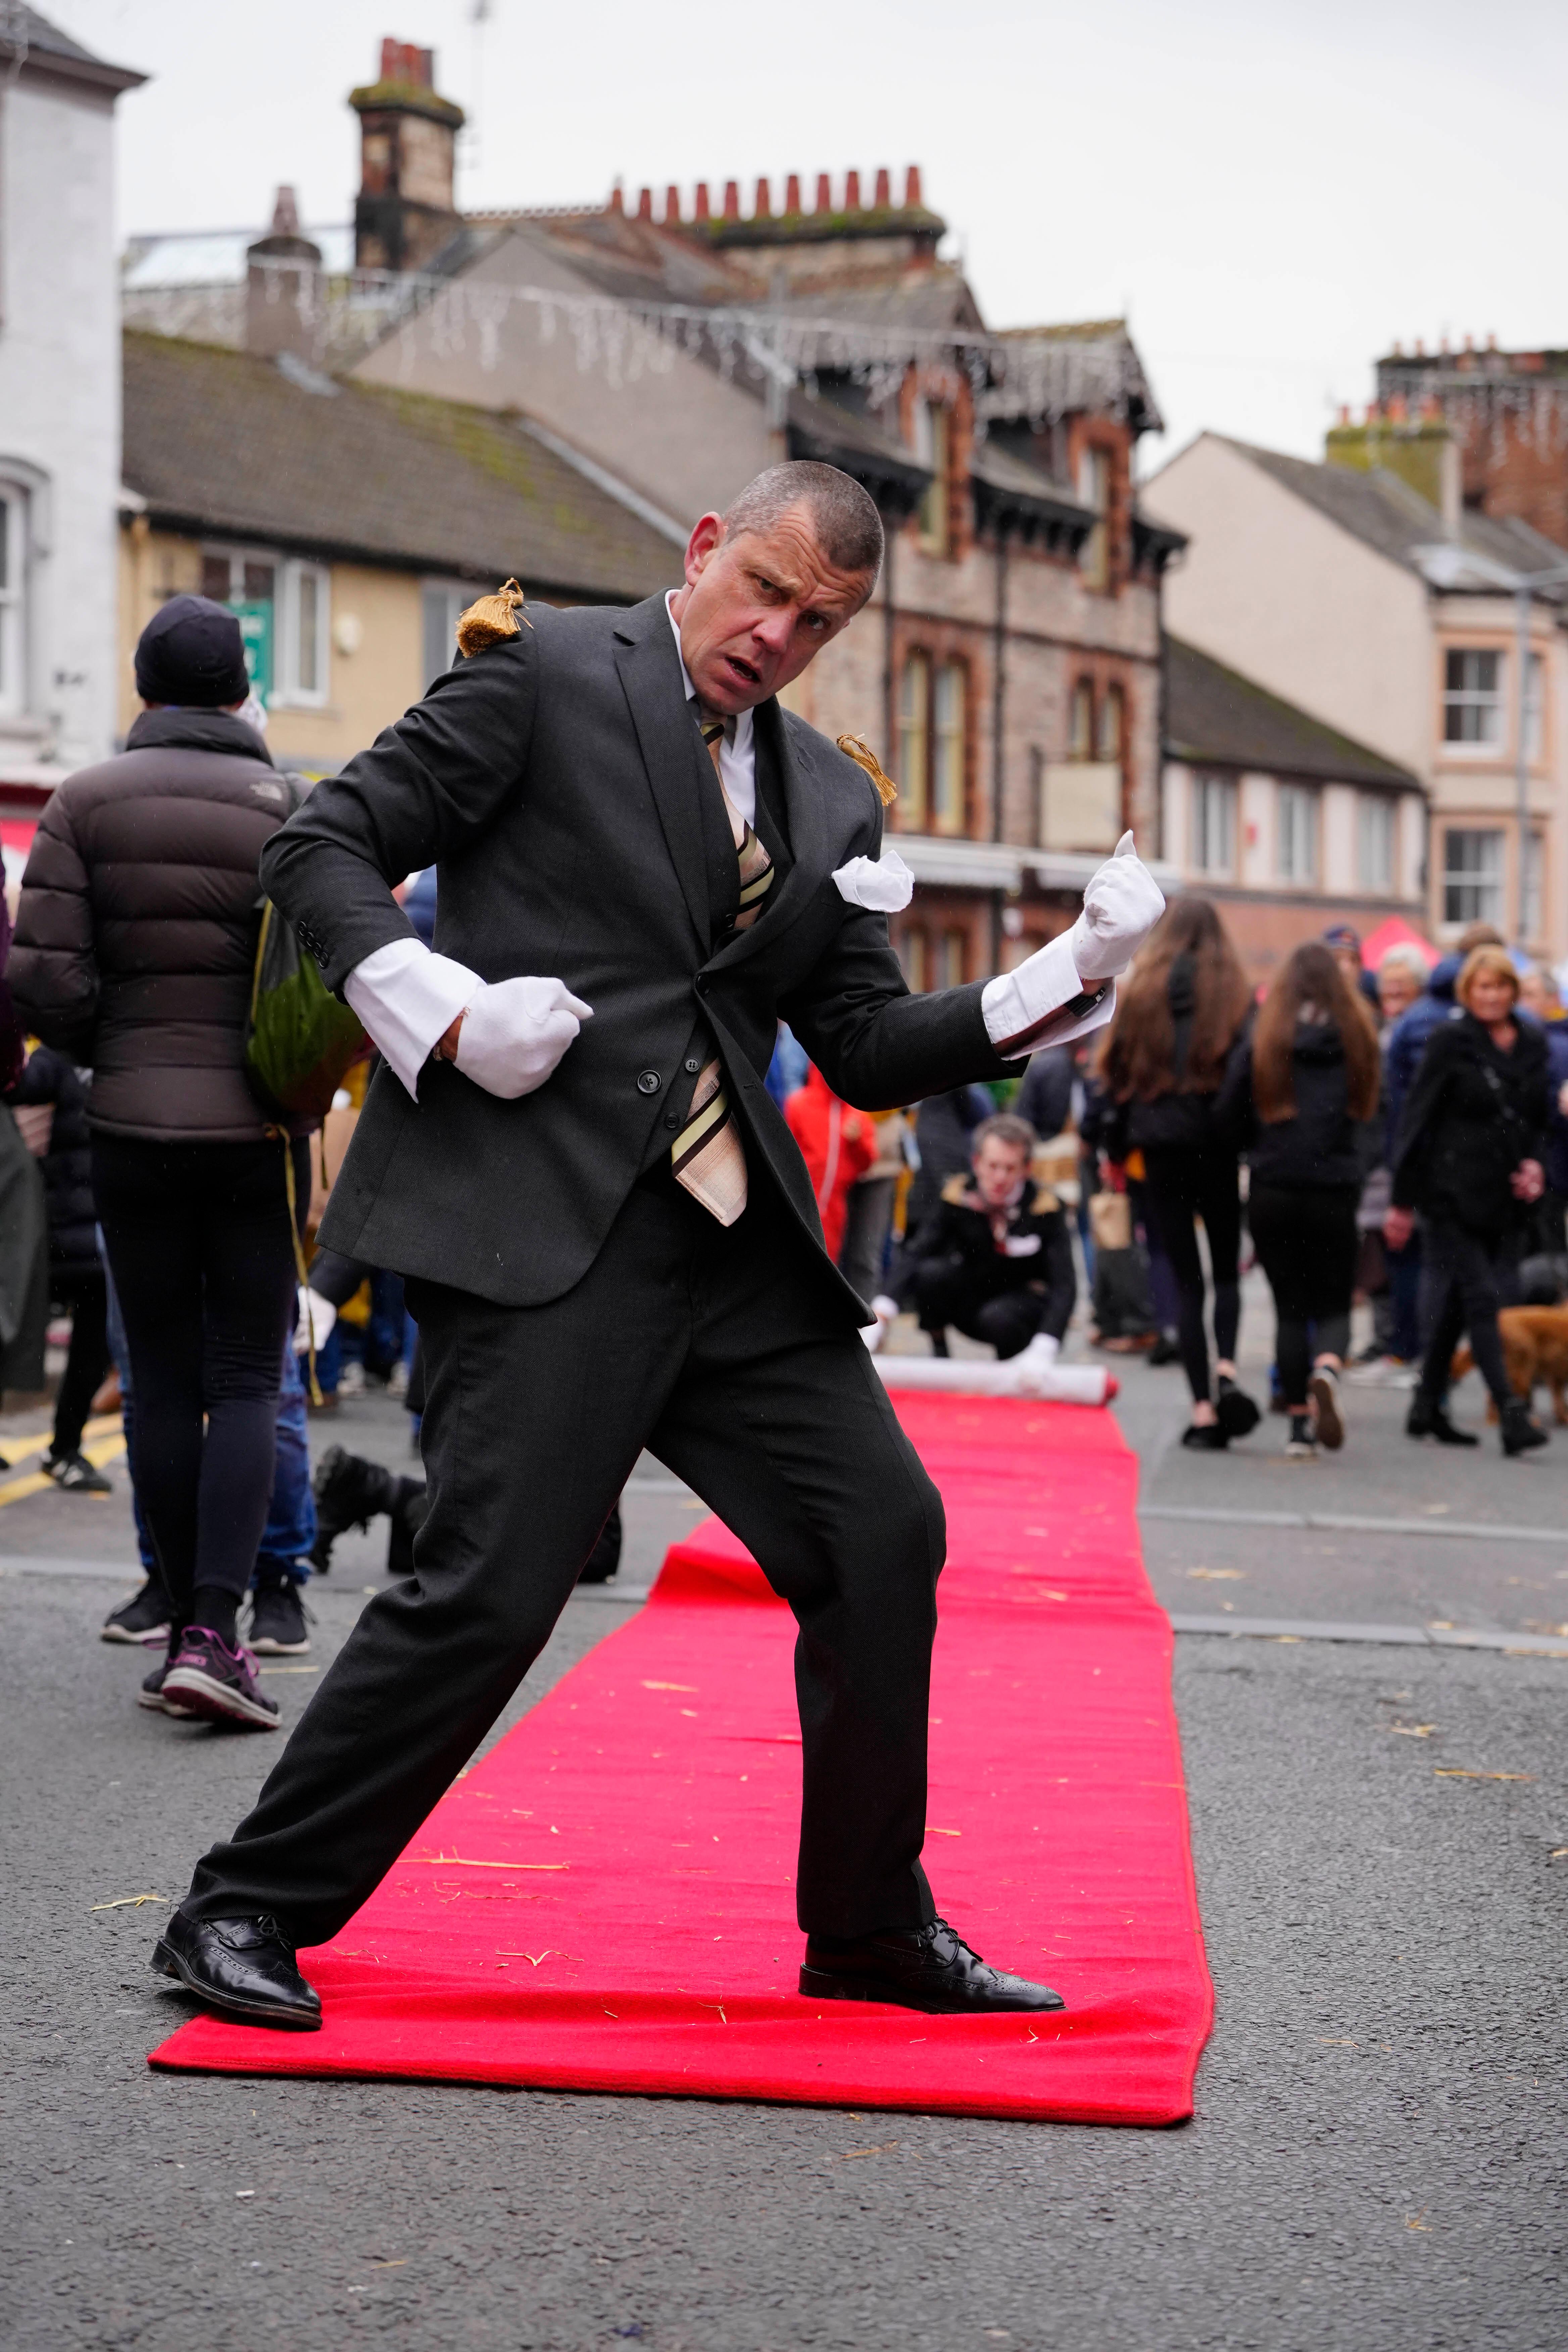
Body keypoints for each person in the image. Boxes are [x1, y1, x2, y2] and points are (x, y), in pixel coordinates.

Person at [147, 459, 1164, 2031]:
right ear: (702, 548)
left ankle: (867, 1926)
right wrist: (436, 1002)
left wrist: (1058, 975)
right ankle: (245, 1903)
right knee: (491, 1585)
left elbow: (868, 1046)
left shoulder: (832, 793)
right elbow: (321, 844)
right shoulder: (544, 674)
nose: (775, 634)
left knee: (881, 1535)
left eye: (817, 621)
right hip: (553, 1220)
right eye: (761, 588)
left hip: (735, 1247)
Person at [10, 595, 316, 1728]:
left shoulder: (83, 802)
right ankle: (215, 1632)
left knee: (161, 1379)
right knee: (248, 1375)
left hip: (129, 1122)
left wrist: (113, 1051)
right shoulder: (291, 806)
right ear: (241, 688)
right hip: (251, 1129)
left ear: (143, 688)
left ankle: (178, 1610)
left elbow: (43, 979)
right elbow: (332, 970)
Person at [1097, 897, 1258, 1450]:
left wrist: (1115, 1144)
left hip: (1159, 1143)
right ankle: (1230, 1370)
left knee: (1186, 1283)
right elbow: (1249, 1067)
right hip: (1215, 1144)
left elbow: (1114, 1072)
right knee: (1227, 1271)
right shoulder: (1235, 991)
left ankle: (1203, 1410)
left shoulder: (1142, 991)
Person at [1218, 943, 1380, 1459]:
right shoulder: (1358, 1039)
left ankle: (1296, 1430)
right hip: (1334, 1185)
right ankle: (1327, 1367)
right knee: (1334, 1301)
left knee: (1289, 1309)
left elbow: (1228, 1115)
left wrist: (1256, 1147)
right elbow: (1377, 1115)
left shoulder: (1264, 1039)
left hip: (1274, 1186)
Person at [1387, 945, 1551, 1456]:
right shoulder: (1450, 1040)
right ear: (1468, 991)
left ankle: (1425, 1405)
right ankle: (1511, 1410)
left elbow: (1537, 1117)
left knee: (1459, 1306)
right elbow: (1418, 1115)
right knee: (1483, 1298)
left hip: (1503, 1195)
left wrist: (1535, 1164)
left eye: (1500, 986)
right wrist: (1402, 1198)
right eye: (1482, 987)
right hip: (1449, 1190)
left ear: (1512, 990)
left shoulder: (1531, 1042)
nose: (1492, 996)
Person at [8, 1044, 112, 1487]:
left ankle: (65, 1447)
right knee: (82, 1348)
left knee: (92, 1350)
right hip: (59, 1236)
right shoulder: (61, 1058)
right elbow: (16, 1084)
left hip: (83, 1238)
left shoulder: (67, 1056)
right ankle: (64, 1449)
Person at [905, 1112, 1074, 1361]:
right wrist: (883, 1311)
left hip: (1020, 1307)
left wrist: (1047, 1344)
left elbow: (1065, 1285)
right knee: (930, 1274)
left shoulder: (1045, 1206)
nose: (1000, 1178)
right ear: (977, 1163)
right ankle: (940, 1351)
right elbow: (916, 1252)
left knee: (1000, 1317)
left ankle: (1014, 1364)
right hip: (975, 1298)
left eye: (1010, 1168)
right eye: (993, 1166)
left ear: (1027, 1169)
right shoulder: (959, 1196)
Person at [783, 1060, 877, 1264]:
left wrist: (858, 1141)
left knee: (826, 1262)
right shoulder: (799, 1105)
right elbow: (784, 1155)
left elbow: (867, 1161)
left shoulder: (855, 1113)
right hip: (799, 1199)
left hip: (835, 1206)